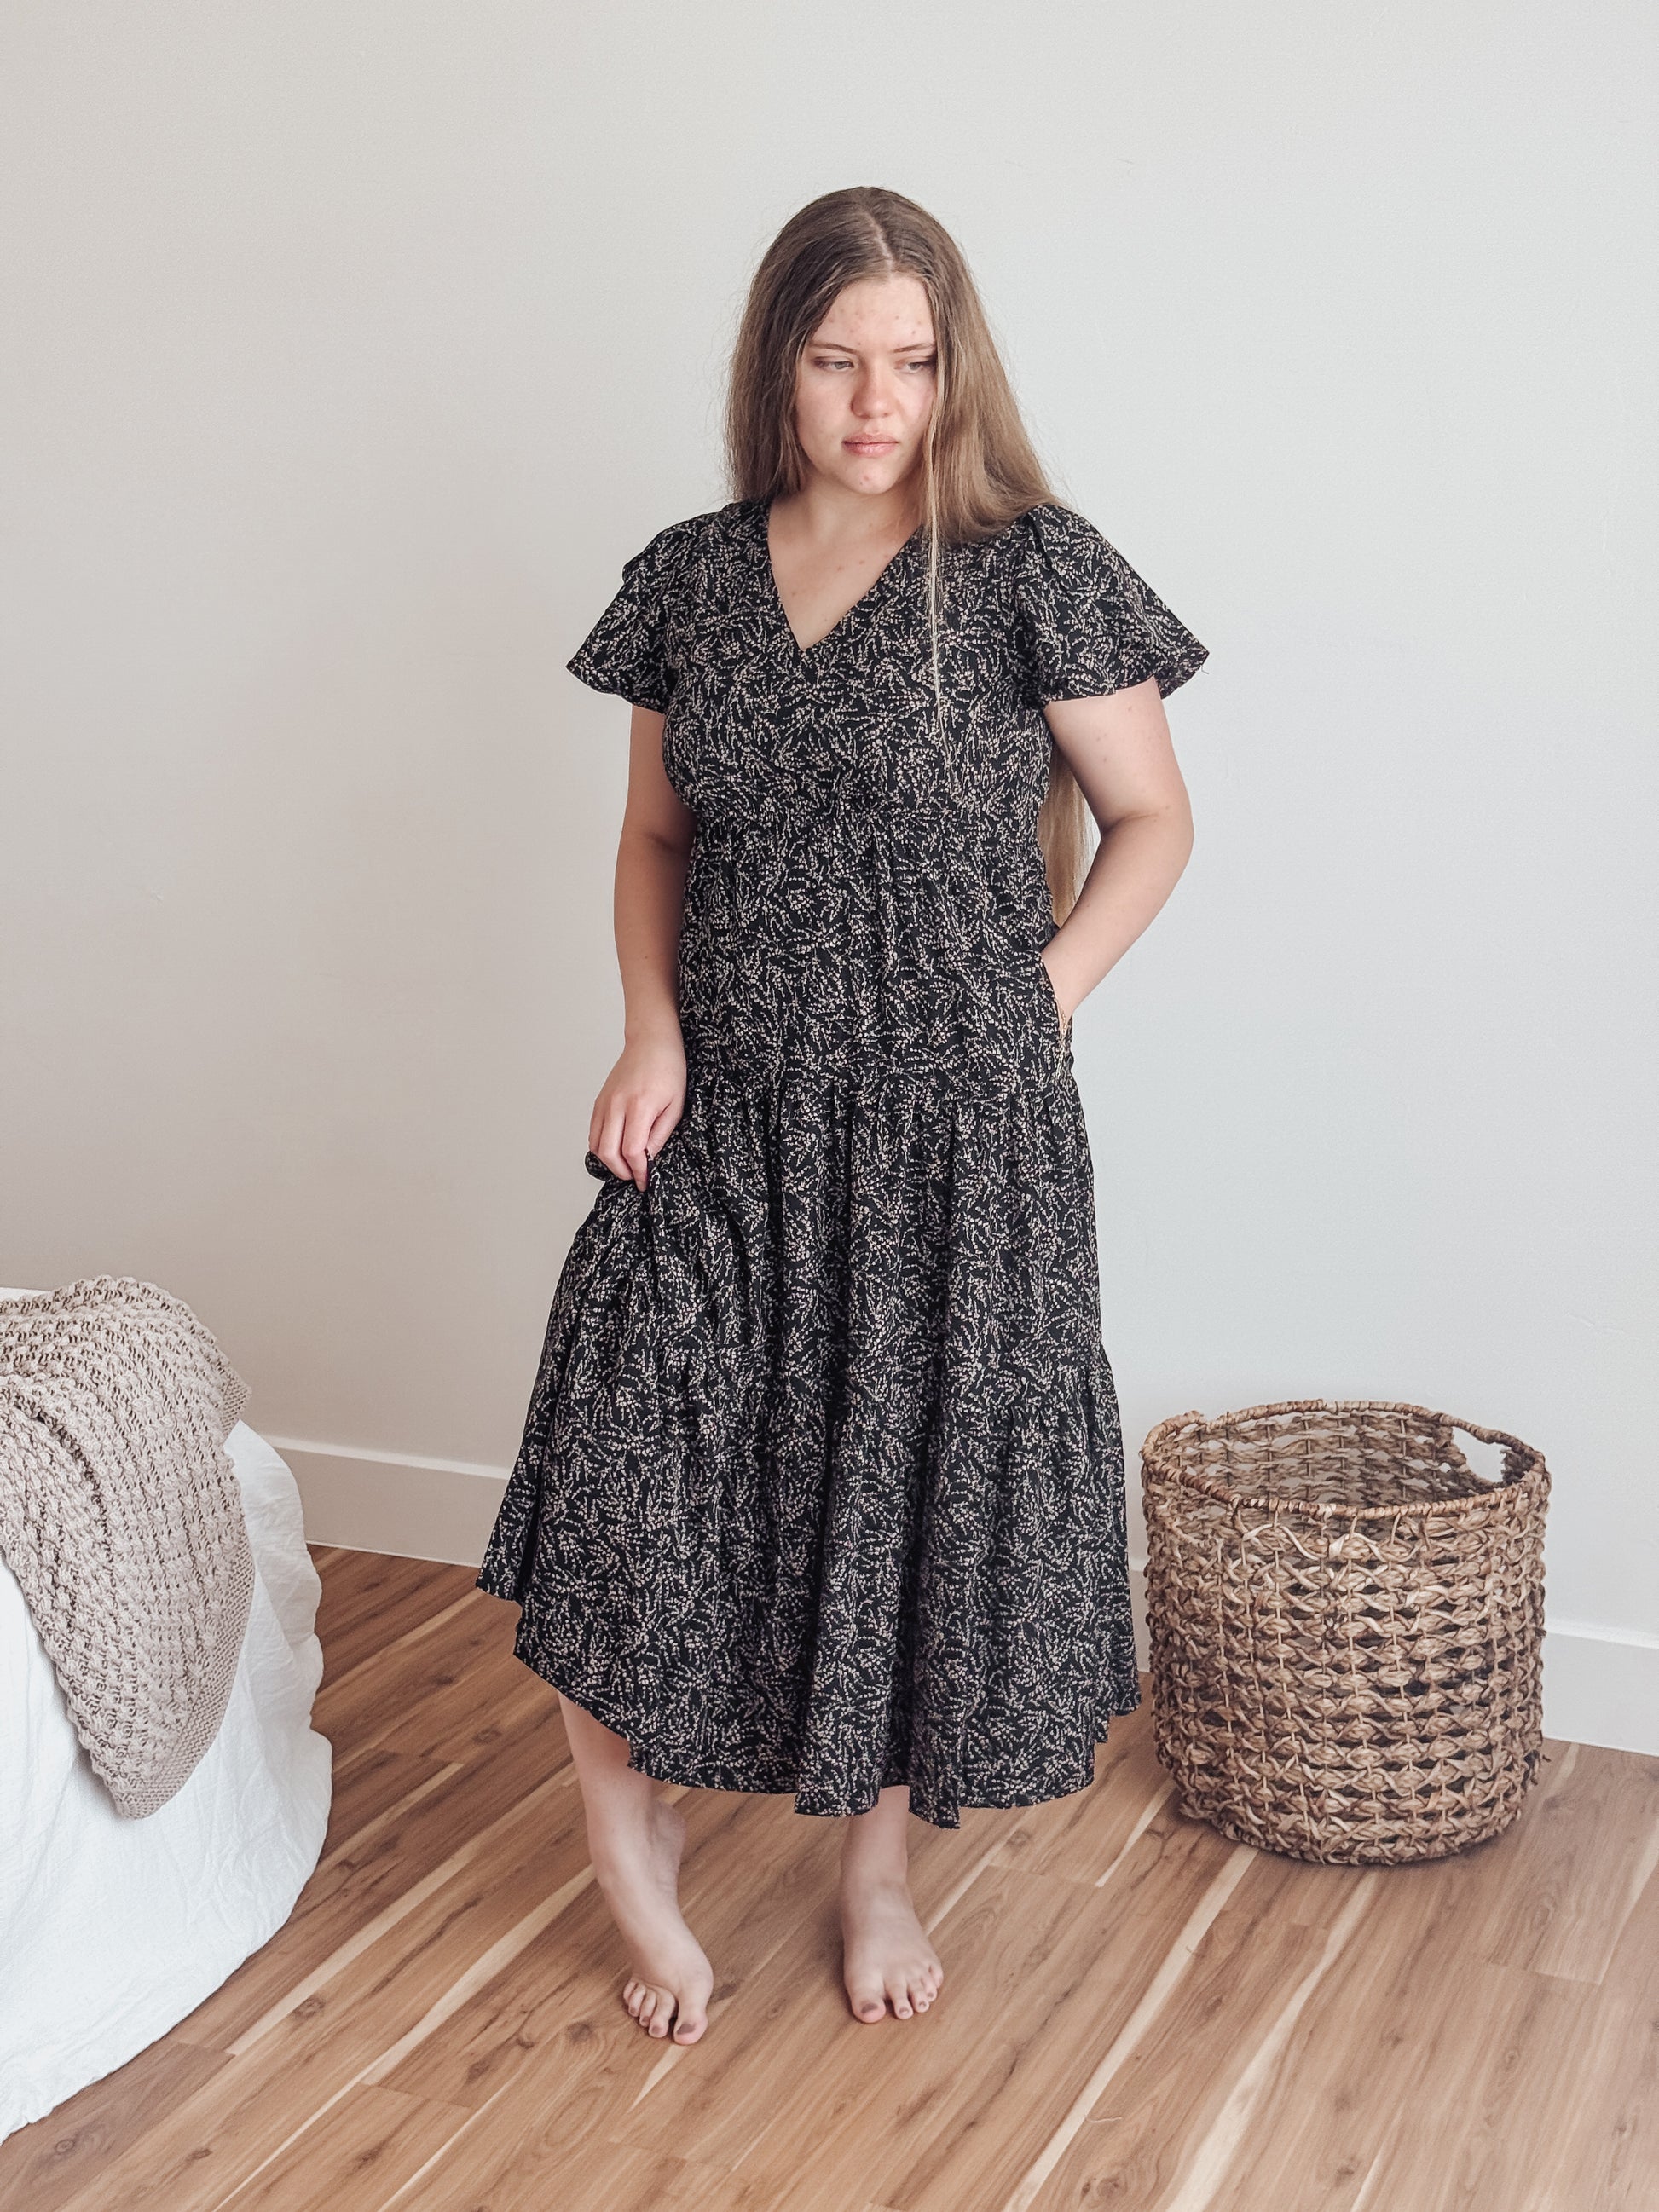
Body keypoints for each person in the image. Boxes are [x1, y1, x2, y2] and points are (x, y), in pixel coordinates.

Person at [477, 185, 1208, 2047]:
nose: (877, 402)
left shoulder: (1030, 569)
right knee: (621, 1454)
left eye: (911, 361)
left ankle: (876, 1868)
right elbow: (654, 838)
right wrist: (647, 1032)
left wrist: (1038, 995)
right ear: (776, 369)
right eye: (835, 361)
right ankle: (625, 1836)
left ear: (955, 371)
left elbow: (1154, 821)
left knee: (902, 1493)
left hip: (956, 1130)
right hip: (727, 1104)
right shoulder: (689, 581)